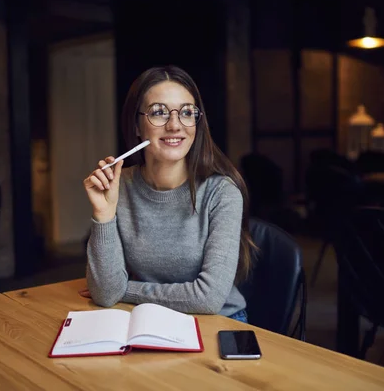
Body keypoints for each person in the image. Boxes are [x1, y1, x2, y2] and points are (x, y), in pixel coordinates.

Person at [82, 65, 256, 322]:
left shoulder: (222, 193)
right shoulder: (119, 185)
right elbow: (105, 293)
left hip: (218, 322)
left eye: (187, 112)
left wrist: (125, 289)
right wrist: (104, 214)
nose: (175, 125)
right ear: (137, 125)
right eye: (159, 112)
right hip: (149, 320)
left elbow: (208, 299)